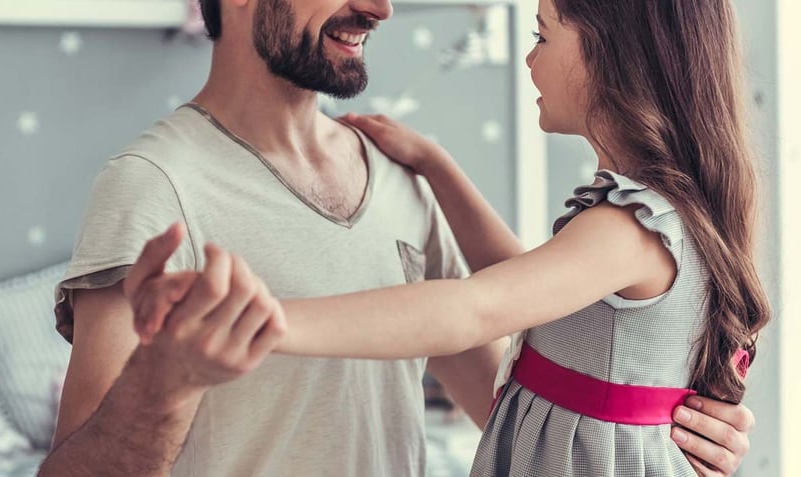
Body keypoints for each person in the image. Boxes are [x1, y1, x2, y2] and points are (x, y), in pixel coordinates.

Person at [42, 0, 756, 476]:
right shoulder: (150, 184)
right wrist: (165, 378)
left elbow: (510, 384)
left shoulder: (397, 176)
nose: (383, 6)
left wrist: (661, 422)